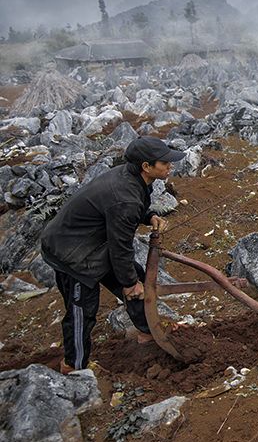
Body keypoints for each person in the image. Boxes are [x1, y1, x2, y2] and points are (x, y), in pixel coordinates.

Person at [40, 136, 185, 374]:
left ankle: (147, 332)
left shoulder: (132, 177)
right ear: (146, 166)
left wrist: (149, 217)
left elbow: (125, 210)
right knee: (82, 309)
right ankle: (74, 366)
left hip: (93, 243)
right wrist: (128, 285)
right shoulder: (124, 195)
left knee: (137, 278)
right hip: (69, 253)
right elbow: (120, 244)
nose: (170, 166)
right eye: (164, 162)